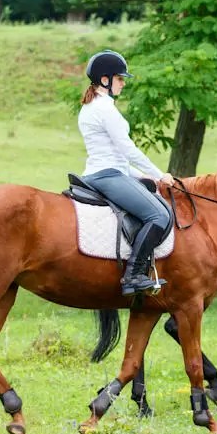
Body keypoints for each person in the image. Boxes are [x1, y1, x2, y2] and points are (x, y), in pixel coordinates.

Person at [78, 49, 174, 296]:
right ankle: (133, 275)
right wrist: (159, 174)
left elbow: (115, 155)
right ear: (105, 80)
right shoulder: (105, 109)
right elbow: (126, 149)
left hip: (104, 172)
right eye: (120, 79)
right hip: (107, 176)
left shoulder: (92, 106)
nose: (123, 83)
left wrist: (141, 176)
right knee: (159, 216)